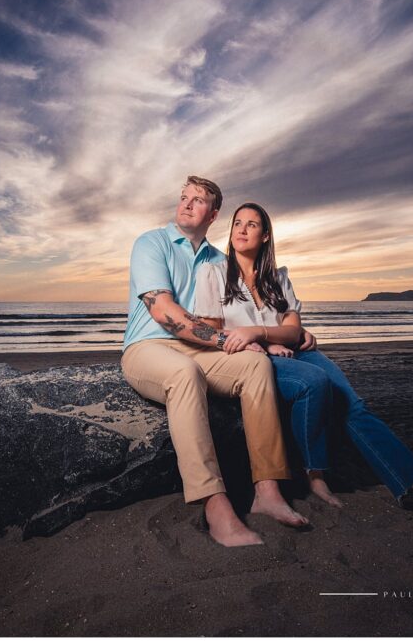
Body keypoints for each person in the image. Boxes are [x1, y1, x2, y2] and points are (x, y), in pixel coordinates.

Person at [191, 202, 413, 521]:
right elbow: (212, 333)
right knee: (313, 382)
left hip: (287, 350)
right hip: (251, 360)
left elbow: (294, 329)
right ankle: (315, 475)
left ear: (265, 236)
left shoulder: (278, 277)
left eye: (252, 224)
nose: (242, 229)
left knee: (352, 404)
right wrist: (263, 342)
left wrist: (265, 334)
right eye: (237, 223)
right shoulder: (213, 272)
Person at [121, 176, 314, 547]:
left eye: (197, 200)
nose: (186, 204)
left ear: (213, 214)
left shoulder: (217, 261)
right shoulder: (151, 242)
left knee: (257, 367)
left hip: (200, 348)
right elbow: (165, 314)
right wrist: (228, 339)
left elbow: (244, 312)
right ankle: (215, 503)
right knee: (184, 373)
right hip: (148, 347)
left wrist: (271, 339)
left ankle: (268, 491)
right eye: (183, 197)